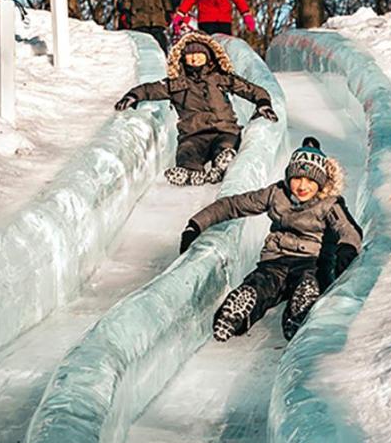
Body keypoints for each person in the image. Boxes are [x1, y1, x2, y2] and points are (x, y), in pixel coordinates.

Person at [179, 137, 363, 341]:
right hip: (275, 259)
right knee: (261, 284)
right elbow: (234, 205)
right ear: (288, 177)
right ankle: (236, 314)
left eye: (310, 180)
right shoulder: (276, 193)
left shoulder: (329, 204)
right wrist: (196, 224)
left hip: (311, 262)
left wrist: (346, 251)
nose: (302, 186)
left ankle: (299, 313)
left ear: (320, 183)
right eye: (297, 178)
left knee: (309, 283)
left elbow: (349, 231)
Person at [114, 31, 277, 185]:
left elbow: (250, 89)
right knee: (187, 152)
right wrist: (133, 96)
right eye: (190, 56)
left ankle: (222, 164)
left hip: (224, 130)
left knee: (225, 146)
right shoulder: (176, 83)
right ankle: (190, 172)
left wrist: (263, 103)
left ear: (208, 57)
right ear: (183, 58)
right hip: (193, 135)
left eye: (198, 56)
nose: (194, 59)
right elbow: (150, 89)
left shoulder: (220, 78)